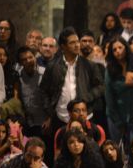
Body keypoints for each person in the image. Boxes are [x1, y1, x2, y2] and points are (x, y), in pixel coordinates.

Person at [39, 28, 104, 159]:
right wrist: (49, 113)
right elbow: (43, 90)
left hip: (84, 117)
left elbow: (101, 86)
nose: (77, 45)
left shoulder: (89, 65)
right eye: (72, 42)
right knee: (61, 156)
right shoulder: (53, 66)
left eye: (77, 42)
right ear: (63, 46)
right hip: (61, 117)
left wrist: (87, 97)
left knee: (87, 154)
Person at [104, 37, 133, 148]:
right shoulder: (110, 69)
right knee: (117, 149)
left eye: (120, 47)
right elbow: (109, 97)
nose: (118, 51)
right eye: (114, 49)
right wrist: (117, 121)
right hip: (114, 114)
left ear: (126, 48)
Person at [17, 46, 47, 138]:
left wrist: (49, 118)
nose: (28, 61)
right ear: (20, 63)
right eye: (24, 59)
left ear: (35, 57)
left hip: (44, 122)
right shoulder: (18, 76)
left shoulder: (45, 73)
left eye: (30, 57)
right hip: (28, 122)